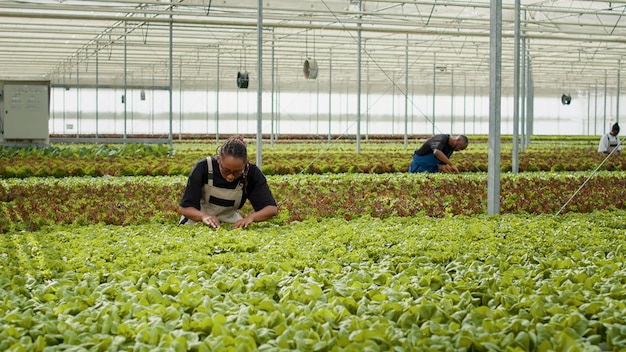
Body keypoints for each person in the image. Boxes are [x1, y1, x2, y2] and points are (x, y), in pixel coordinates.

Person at [179, 136, 278, 229]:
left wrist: (250, 218)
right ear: (218, 160)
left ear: (245, 164)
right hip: (197, 221)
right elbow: (185, 208)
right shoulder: (204, 167)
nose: (230, 176)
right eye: (226, 171)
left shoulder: (251, 173)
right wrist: (203, 216)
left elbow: (271, 209)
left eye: (237, 172)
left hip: (230, 223)